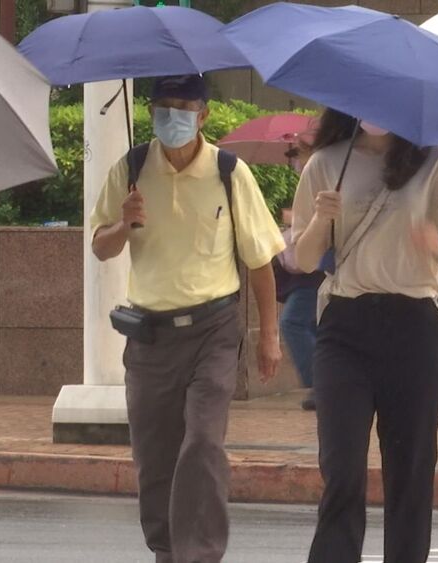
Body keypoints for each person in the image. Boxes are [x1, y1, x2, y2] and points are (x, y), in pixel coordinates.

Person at [90, 74, 285, 563]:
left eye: (183, 107)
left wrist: (269, 337)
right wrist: (123, 221)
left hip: (213, 331)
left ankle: (198, 555)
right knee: (154, 459)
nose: (171, 117)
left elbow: (259, 260)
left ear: (204, 115)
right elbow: (100, 246)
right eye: (163, 107)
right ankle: (167, 550)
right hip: (150, 337)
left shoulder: (228, 171)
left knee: (201, 442)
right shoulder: (132, 169)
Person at [291, 109, 438, 563]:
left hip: (414, 326)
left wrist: (437, 244)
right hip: (345, 327)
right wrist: (320, 220)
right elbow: (305, 259)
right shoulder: (326, 162)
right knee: (342, 469)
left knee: (411, 473)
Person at [273, 207, 325, 411]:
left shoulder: (321, 176)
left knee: (292, 322)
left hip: (314, 273)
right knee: (313, 328)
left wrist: (294, 218)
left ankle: (321, 383)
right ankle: (324, 385)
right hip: (307, 274)